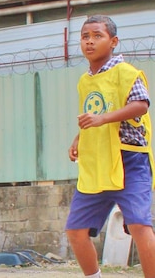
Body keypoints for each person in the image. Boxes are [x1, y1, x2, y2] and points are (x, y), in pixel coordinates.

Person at [65, 15, 154, 278]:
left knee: (139, 225)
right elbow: (94, 113)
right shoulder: (85, 80)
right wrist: (79, 138)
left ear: (113, 41)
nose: (89, 42)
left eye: (97, 36)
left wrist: (102, 119)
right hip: (97, 163)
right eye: (85, 37)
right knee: (76, 230)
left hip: (129, 160)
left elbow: (140, 105)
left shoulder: (126, 73)